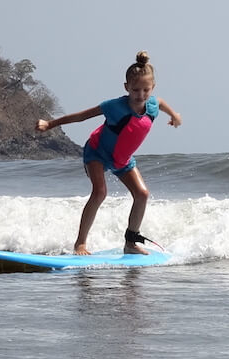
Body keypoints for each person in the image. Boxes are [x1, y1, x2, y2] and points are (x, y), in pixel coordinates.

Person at [36, 51, 182, 255]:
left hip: (122, 159)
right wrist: (51, 124)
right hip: (97, 152)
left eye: (145, 90)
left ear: (152, 88)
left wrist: (174, 115)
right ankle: (80, 243)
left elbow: (161, 102)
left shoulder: (152, 105)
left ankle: (131, 242)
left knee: (142, 194)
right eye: (135, 90)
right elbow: (82, 116)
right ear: (126, 88)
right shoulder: (114, 106)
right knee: (100, 192)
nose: (140, 94)